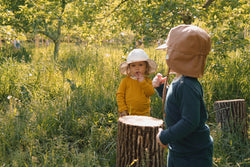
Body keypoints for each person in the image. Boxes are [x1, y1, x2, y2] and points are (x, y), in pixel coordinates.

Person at [153, 25, 213, 167]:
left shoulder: (186, 85)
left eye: (169, 52)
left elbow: (190, 121)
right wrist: (161, 88)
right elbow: (175, 103)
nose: (167, 56)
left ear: (180, 57)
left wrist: (165, 136)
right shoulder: (180, 80)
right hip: (180, 150)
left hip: (193, 154)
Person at [116, 49, 157, 117]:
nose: (137, 68)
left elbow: (150, 92)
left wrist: (142, 82)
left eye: (140, 65)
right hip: (128, 113)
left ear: (146, 67)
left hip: (144, 113)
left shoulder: (147, 80)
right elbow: (120, 95)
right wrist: (122, 109)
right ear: (129, 68)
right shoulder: (125, 81)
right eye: (133, 65)